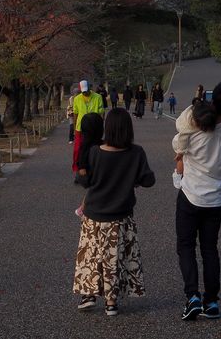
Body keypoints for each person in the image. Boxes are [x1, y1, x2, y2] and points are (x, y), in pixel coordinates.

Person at [73, 108, 156, 316]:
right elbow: (149, 180)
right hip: (121, 216)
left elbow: (85, 181)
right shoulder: (137, 153)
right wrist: (132, 178)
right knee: (114, 257)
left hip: (94, 213)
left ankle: (89, 294)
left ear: (107, 128)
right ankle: (111, 302)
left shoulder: (94, 152)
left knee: (92, 256)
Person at [173, 81, 221, 321]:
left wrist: (198, 105)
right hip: (216, 199)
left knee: (186, 246)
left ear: (213, 100)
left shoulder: (197, 128)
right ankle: (211, 301)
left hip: (191, 195)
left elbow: (179, 128)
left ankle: (192, 297)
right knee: (210, 249)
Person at [173, 100, 217, 175]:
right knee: (181, 159)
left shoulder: (204, 111)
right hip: (181, 132)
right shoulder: (189, 127)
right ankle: (179, 175)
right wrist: (180, 152)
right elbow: (183, 137)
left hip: (190, 114)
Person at [72, 81, 104, 175]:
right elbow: (75, 114)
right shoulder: (77, 98)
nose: (85, 93)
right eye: (83, 91)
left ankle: (94, 169)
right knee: (78, 149)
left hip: (94, 128)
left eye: (86, 90)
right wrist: (74, 128)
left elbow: (101, 113)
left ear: (90, 88)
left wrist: (101, 126)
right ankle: (78, 169)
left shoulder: (97, 97)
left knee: (94, 148)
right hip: (80, 128)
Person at [74, 113, 104, 214]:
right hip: (90, 174)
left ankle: (82, 208)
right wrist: (82, 169)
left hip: (91, 174)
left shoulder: (85, 143)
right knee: (94, 189)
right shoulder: (89, 144)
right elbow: (81, 160)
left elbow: (80, 158)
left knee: (93, 190)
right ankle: (83, 208)